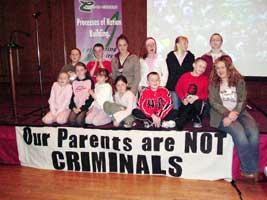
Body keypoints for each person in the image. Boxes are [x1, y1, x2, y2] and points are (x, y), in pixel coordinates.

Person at [209, 55, 263, 182]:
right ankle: (248, 170)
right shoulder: (213, 82)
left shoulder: (239, 80)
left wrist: (235, 113)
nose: (220, 71)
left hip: (240, 112)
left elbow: (242, 99)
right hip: (221, 114)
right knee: (240, 134)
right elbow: (213, 102)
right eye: (217, 68)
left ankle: (252, 169)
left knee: (254, 132)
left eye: (222, 67)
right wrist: (228, 114)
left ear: (228, 67)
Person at [175, 58, 209, 130]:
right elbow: (178, 88)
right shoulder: (185, 76)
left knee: (196, 103)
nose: (202, 69)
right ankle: (189, 117)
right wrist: (183, 98)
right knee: (186, 107)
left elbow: (206, 94)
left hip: (198, 105)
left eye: (204, 67)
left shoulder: (205, 79)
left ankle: (193, 118)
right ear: (194, 65)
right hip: (186, 102)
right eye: (200, 66)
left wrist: (197, 97)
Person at [166, 36, 195, 110]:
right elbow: (168, 72)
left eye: (187, 43)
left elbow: (191, 72)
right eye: (184, 43)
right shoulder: (170, 56)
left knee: (184, 109)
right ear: (177, 44)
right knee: (175, 108)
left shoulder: (190, 56)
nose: (186, 45)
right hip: (173, 87)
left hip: (186, 88)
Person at [68, 62, 94, 126]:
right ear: (75, 72)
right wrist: (73, 107)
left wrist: (81, 108)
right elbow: (72, 96)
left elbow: (91, 98)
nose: (79, 72)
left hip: (85, 106)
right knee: (71, 121)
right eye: (77, 70)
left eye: (81, 70)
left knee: (79, 121)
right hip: (76, 105)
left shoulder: (89, 81)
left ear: (85, 70)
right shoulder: (74, 82)